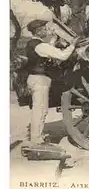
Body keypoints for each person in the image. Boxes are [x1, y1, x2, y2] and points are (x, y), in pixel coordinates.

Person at [22, 19, 78, 147]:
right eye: (44, 28)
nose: (46, 30)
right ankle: (36, 140)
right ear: (39, 30)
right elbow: (62, 56)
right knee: (40, 110)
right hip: (39, 79)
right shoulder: (39, 45)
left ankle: (37, 137)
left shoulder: (35, 44)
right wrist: (72, 45)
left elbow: (48, 49)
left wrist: (54, 39)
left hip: (36, 78)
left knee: (41, 109)